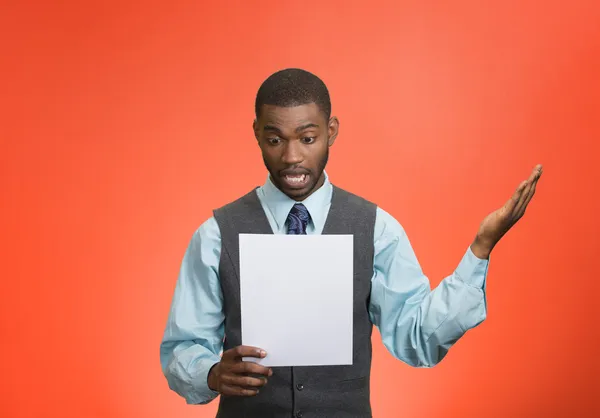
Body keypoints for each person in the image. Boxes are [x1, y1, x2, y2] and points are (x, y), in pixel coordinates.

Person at [160, 68, 543, 418]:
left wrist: (481, 248)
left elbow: (418, 339)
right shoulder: (215, 235)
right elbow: (182, 346)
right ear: (257, 132)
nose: (292, 157)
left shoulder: (376, 229)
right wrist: (210, 373)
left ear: (332, 130)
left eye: (308, 139)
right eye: (275, 139)